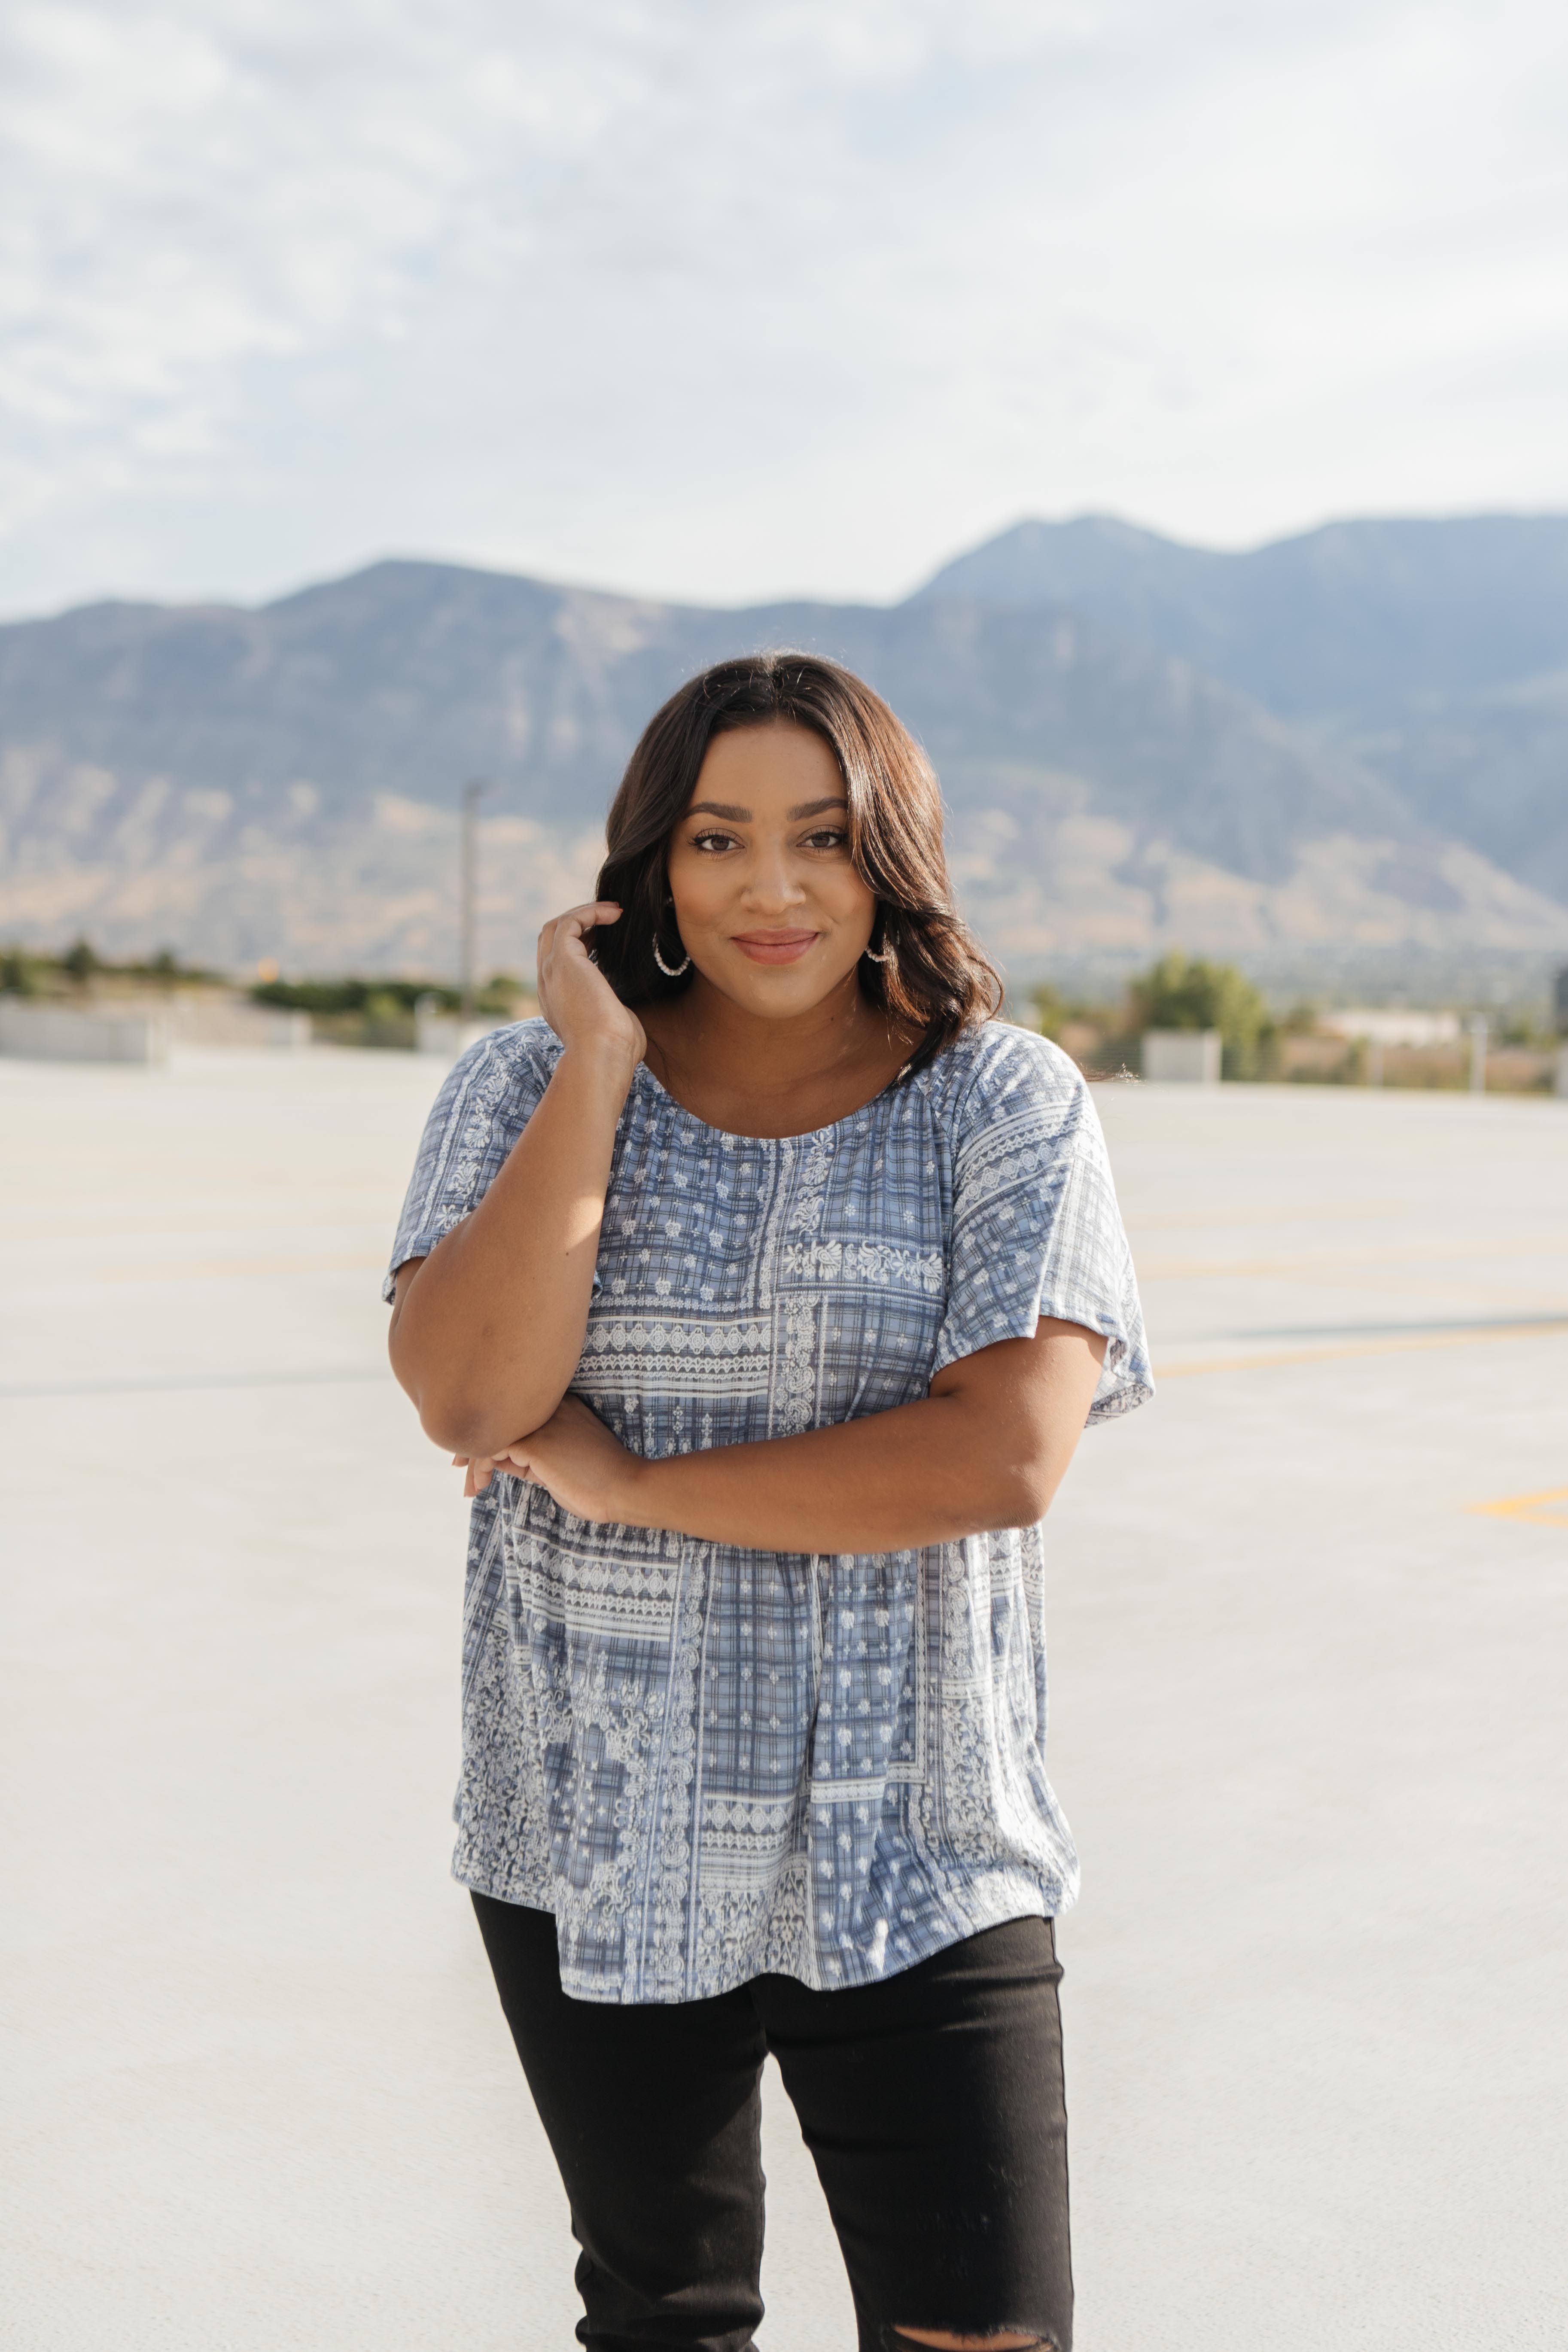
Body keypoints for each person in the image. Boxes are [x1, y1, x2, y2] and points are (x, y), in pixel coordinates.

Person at [384, 652, 1151, 2352]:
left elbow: (1001, 1455)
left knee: (989, 2333)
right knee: (668, 2319)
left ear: (892, 852)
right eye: (719, 839)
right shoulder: (520, 1088)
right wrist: (597, 1066)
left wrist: (643, 1481)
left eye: (821, 834)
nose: (773, 887)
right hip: (604, 1816)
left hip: (925, 1830)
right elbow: (463, 1391)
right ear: (651, 863)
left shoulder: (1001, 1101)